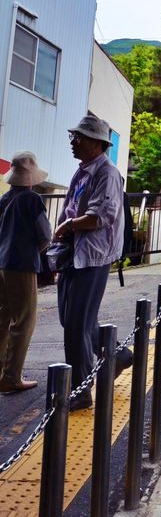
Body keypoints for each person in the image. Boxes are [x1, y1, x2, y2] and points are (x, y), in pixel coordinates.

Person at [55, 115, 132, 411]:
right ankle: (118, 355)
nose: (73, 143)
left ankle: (81, 390)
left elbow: (103, 215)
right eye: (73, 137)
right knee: (71, 319)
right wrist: (63, 229)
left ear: (97, 144)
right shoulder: (82, 171)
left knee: (76, 324)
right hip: (73, 254)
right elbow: (71, 207)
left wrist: (68, 226)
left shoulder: (107, 173)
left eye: (79, 138)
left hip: (93, 256)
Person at [0, 153, 51, 394]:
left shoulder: (5, 198)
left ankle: (1, 373)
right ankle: (11, 377)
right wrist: (35, 251)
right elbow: (45, 235)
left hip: (2, 262)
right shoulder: (32, 199)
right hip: (21, 264)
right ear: (30, 178)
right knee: (24, 320)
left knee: (3, 318)